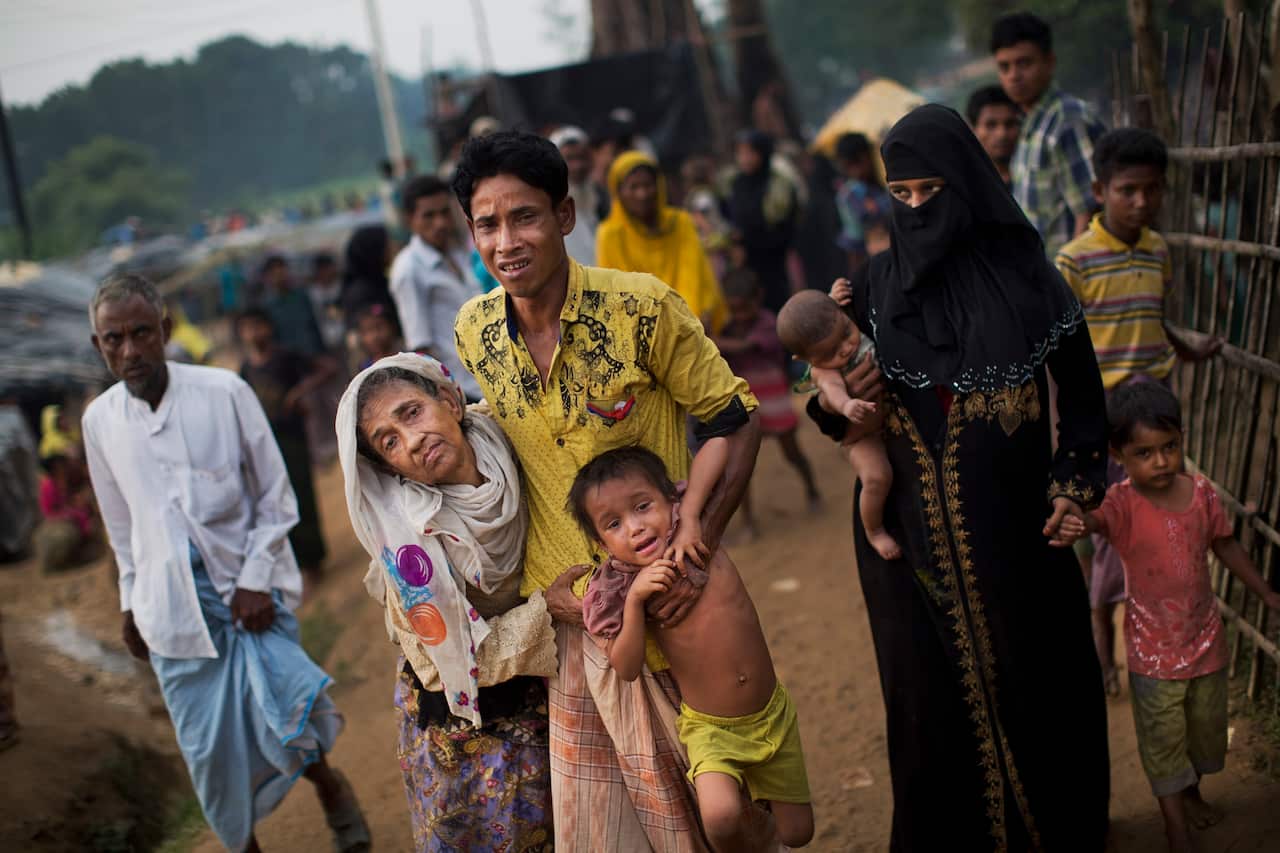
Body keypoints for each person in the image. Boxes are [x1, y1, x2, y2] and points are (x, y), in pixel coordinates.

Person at [452, 130, 762, 850]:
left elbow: (733, 422)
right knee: (611, 834)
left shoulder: (642, 310)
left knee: (722, 819)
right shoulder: (474, 332)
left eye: (524, 216)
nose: (507, 241)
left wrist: (696, 547)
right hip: (573, 625)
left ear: (564, 216)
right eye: (488, 224)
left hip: (676, 610)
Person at [810, 105, 1110, 850]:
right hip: (910, 556)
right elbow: (832, 410)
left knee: (1040, 685)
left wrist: (1073, 487)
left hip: (1020, 540)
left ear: (969, 183)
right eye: (901, 194)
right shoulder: (871, 290)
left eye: (931, 191)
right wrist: (843, 398)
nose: (916, 210)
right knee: (931, 707)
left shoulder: (1033, 283)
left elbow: (1083, 396)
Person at [82, 274, 368, 853]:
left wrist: (255, 580)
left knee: (289, 717)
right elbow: (122, 529)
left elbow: (275, 496)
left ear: (165, 330)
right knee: (207, 753)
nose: (130, 351)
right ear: (99, 346)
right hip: (172, 616)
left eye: (141, 333)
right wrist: (131, 604)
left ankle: (331, 789)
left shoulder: (222, 392)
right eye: (114, 339)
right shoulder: (99, 422)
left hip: (250, 599)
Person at [338, 354, 558, 851]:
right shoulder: (409, 545)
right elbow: (445, 666)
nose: (411, 440)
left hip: (548, 687)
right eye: (388, 441)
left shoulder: (512, 437)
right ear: (386, 466)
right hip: (462, 723)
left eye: (411, 412)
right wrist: (551, 610)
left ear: (452, 400)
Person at [1062, 382, 1280, 853]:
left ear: (1182, 439)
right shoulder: (1121, 504)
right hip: (1151, 654)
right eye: (1144, 453)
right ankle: (1174, 825)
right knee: (1162, 741)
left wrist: (1267, 593)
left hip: (1206, 644)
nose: (1160, 462)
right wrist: (1078, 519)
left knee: (1204, 738)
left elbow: (1224, 544)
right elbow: (1095, 519)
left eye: (1170, 448)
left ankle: (1193, 790)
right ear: (1118, 454)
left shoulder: (1200, 493)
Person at [572, 445, 813, 851]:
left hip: (772, 713)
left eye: (643, 505)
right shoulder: (620, 585)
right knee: (720, 819)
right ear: (600, 544)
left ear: (672, 499)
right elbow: (625, 667)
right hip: (711, 728)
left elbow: (720, 445)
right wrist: (635, 603)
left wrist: (691, 521)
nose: (635, 527)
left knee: (798, 833)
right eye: (614, 524)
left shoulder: (694, 524)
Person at [1055, 128, 1221, 693]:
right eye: (1128, 190)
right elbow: (1058, 345)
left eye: (1152, 190)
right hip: (1105, 423)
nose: (1141, 202)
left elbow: (1153, 316)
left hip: (1155, 417)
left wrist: (1185, 348)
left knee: (1164, 530)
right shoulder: (1073, 262)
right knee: (1107, 536)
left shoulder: (1158, 250)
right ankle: (1104, 656)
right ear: (1101, 189)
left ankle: (1168, 648)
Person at [779, 289, 898, 561]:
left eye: (846, 334)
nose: (845, 348)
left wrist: (834, 296)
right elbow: (831, 391)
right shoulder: (823, 369)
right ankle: (874, 529)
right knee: (877, 477)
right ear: (806, 360)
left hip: (892, 423)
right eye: (831, 353)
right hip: (862, 438)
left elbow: (826, 310)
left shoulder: (836, 320)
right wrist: (846, 405)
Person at [713, 268, 819, 538]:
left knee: (792, 453)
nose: (740, 315)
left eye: (744, 308)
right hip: (746, 404)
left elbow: (746, 347)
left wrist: (710, 340)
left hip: (774, 401)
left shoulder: (768, 323)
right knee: (740, 468)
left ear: (757, 299)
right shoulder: (725, 326)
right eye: (733, 309)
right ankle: (748, 521)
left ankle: (812, 488)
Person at [993, 11, 1107, 256]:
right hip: (1040, 278)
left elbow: (1090, 214)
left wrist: (1068, 283)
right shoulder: (1029, 125)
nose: (1014, 75)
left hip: (1066, 280)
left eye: (1024, 63)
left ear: (1049, 62)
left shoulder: (1067, 120)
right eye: (1005, 67)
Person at [236, 308, 338, 579]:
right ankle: (300, 562)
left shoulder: (285, 356)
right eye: (247, 328)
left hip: (294, 438)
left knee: (301, 495)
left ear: (269, 328)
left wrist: (299, 393)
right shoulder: (246, 368)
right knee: (278, 499)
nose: (254, 333)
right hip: (267, 443)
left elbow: (328, 368)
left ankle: (313, 562)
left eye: (258, 325)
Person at [596, 150, 727, 333]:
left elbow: (694, 276)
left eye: (648, 185)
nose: (642, 194)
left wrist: (686, 322)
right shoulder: (610, 234)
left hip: (689, 323)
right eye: (633, 187)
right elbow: (619, 291)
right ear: (618, 192)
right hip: (641, 330)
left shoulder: (680, 222)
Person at [389, 175, 484, 401]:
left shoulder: (458, 254)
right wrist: (446, 394)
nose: (440, 223)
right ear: (410, 219)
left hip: (488, 375)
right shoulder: (409, 268)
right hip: (461, 388)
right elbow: (420, 344)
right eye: (429, 216)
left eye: (444, 213)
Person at [725, 130, 799, 315]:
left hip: (774, 262)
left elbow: (784, 228)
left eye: (750, 153)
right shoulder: (736, 184)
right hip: (746, 264)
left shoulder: (777, 185)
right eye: (740, 153)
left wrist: (749, 238)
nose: (745, 159)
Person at [833, 133, 892, 274]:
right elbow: (854, 242)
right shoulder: (850, 195)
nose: (856, 171)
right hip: (877, 261)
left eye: (858, 162)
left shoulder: (886, 181)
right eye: (849, 166)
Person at [35, 453, 98, 573]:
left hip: (72, 515)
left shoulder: (69, 479)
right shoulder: (48, 486)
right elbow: (49, 511)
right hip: (60, 521)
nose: (63, 468)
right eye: (59, 467)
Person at [549, 126, 600, 265]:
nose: (577, 166)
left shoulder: (602, 197)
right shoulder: (550, 203)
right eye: (570, 159)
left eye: (581, 157)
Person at [261, 255, 326, 357]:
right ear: (268, 277)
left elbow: (314, 325)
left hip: (312, 353)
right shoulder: (267, 305)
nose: (280, 275)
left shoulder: (302, 296)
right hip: (288, 360)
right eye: (275, 273)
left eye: (282, 270)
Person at [965, 85, 1021, 188]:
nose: (1002, 134)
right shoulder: (965, 186)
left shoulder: (1033, 177)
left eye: (1010, 123)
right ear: (972, 129)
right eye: (991, 125)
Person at [308, 252, 346, 353]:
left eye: (328, 268)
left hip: (344, 338)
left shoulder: (342, 288)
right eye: (322, 269)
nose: (326, 272)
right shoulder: (312, 293)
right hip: (325, 343)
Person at [354, 303, 402, 369]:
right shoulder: (364, 369)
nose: (375, 335)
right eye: (368, 330)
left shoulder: (407, 360)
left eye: (379, 327)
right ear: (361, 336)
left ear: (392, 327)